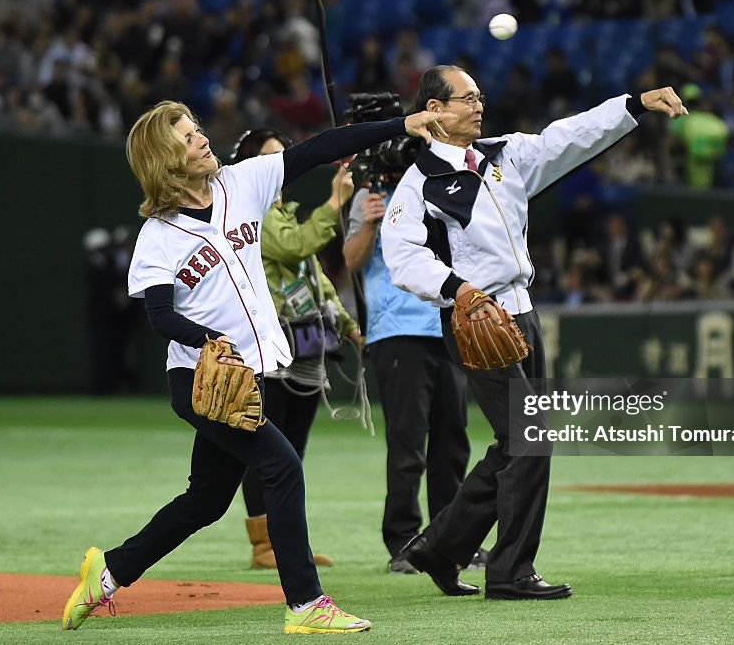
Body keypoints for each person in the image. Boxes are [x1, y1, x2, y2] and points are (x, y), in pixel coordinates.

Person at [61, 99, 453, 634]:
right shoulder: (158, 237)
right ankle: (307, 605)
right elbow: (158, 316)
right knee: (282, 466)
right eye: (187, 136)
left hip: (247, 374)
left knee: (206, 500)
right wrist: (211, 340)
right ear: (165, 159)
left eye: (197, 129)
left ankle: (107, 572)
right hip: (202, 378)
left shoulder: (240, 185)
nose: (202, 139)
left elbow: (317, 149)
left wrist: (400, 125)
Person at [381, 65, 686, 600]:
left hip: (521, 312)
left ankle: (438, 548)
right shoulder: (421, 181)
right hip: (476, 319)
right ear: (434, 110)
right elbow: (402, 257)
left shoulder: (504, 155)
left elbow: (569, 136)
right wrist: (459, 291)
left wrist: (634, 104)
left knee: (515, 442)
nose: (479, 105)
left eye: (480, 95)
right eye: (466, 98)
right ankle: (509, 570)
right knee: (531, 439)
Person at [230, 128, 362, 570]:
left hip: (304, 343)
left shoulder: (282, 210)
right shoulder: (252, 214)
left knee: (292, 450)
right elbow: (295, 246)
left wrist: (346, 323)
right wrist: (333, 204)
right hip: (272, 346)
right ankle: (263, 545)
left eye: (282, 156)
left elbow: (315, 276)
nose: (280, 164)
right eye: (270, 157)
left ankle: (287, 544)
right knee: (269, 447)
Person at [343, 181, 473, 575]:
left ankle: (450, 542)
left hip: (449, 323)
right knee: (407, 443)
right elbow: (351, 260)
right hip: (397, 329)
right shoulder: (371, 192)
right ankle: (403, 540)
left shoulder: (448, 184)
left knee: (452, 442)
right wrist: (367, 224)